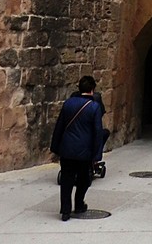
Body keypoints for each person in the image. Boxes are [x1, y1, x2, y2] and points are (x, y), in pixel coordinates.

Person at [50, 76, 104, 221]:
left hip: (67, 148)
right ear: (92, 90)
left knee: (67, 179)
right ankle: (79, 203)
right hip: (84, 151)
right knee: (84, 179)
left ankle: (65, 211)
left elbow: (59, 126)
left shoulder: (68, 103)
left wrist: (55, 147)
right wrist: (97, 154)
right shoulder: (94, 107)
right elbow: (97, 131)